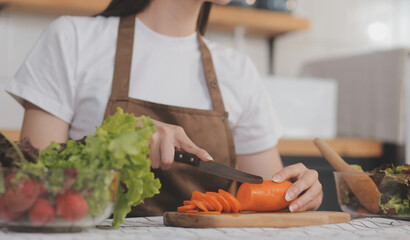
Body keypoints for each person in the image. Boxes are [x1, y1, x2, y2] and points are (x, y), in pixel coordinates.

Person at [6, 0, 322, 215]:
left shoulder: (238, 70)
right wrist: (121, 141)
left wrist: (298, 193)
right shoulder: (71, 40)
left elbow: (267, 196)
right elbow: (30, 188)